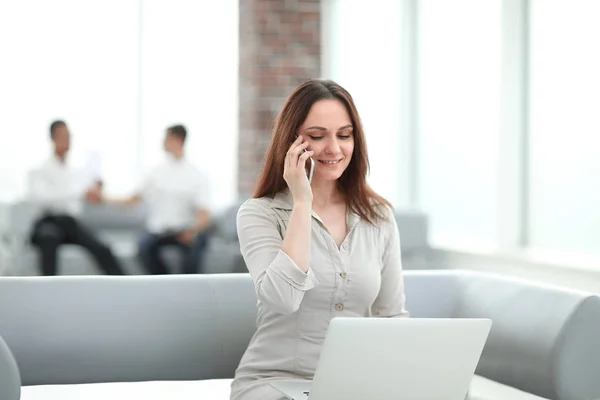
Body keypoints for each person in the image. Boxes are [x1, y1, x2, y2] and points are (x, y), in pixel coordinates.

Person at [230, 79, 409, 400]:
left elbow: (391, 316)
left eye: (344, 135)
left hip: (352, 384)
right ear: (292, 141)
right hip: (274, 382)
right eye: (316, 136)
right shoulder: (259, 214)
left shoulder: (379, 217)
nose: (334, 149)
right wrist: (302, 202)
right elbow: (282, 299)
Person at [106, 124, 211, 274]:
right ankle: (165, 282)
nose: (163, 142)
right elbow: (132, 199)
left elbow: (204, 215)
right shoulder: (156, 172)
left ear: (178, 140)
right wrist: (103, 198)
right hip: (160, 230)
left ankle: (186, 287)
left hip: (186, 229)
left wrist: (191, 231)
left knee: (197, 246)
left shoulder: (197, 175)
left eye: (166, 138)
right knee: (143, 246)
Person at [27, 120, 125, 276]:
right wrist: (77, 193)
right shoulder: (39, 169)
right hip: (48, 221)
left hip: (70, 223)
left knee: (102, 248)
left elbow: (89, 192)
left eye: (68, 136)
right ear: (53, 138)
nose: (67, 140)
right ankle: (48, 292)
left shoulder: (76, 171)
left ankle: (123, 288)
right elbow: (40, 198)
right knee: (48, 238)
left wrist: (97, 187)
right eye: (62, 136)